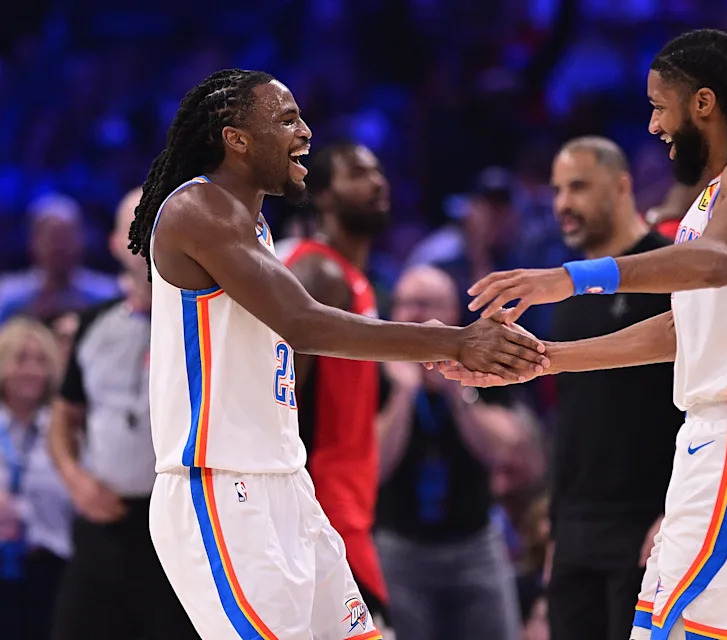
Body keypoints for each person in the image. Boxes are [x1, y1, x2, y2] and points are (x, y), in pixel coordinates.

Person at [125, 68, 547, 640]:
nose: (305, 132)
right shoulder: (199, 208)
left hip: (287, 484)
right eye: (286, 119)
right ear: (236, 138)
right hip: (221, 487)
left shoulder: (254, 226)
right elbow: (302, 325)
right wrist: (455, 340)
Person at [443, 29, 727, 640]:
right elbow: (684, 328)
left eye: (657, 106)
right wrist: (550, 359)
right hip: (721, 437)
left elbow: (714, 262)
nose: (652, 126)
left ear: (702, 103)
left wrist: (572, 278)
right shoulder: (715, 197)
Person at [543, 136, 682, 640]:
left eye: (578, 187)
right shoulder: (568, 292)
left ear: (622, 186)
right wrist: (557, 527)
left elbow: (696, 406)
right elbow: (572, 418)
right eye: (557, 190)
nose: (563, 203)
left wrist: (676, 512)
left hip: (650, 521)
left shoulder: (670, 268)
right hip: (578, 526)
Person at [48, 187, 198, 640]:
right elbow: (63, 417)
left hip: (181, 528)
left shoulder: (205, 322)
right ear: (116, 243)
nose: (148, 237)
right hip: (104, 521)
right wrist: (76, 480)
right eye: (136, 225)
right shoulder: (93, 323)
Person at [375, 265, 529, 640]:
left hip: (474, 544)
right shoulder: (377, 369)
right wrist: (404, 394)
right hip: (400, 548)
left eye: (426, 304)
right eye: (405, 304)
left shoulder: (483, 359)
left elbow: (505, 452)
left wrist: (456, 391)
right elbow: (373, 466)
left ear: (454, 314)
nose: (414, 315)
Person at [279, 141, 393, 630]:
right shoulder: (318, 272)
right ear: (323, 194)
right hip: (324, 505)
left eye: (378, 171)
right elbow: (283, 395)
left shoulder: (352, 277)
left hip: (350, 502)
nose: (377, 182)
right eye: (359, 174)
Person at [0, 318, 73, 640]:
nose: (32, 370)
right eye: (21, 359)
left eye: (41, 360)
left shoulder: (63, 429)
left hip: (51, 565)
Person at [0, 193, 119, 324]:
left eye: (65, 237)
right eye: (52, 238)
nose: (59, 247)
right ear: (33, 241)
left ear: (81, 240)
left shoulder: (106, 296)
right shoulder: (9, 297)